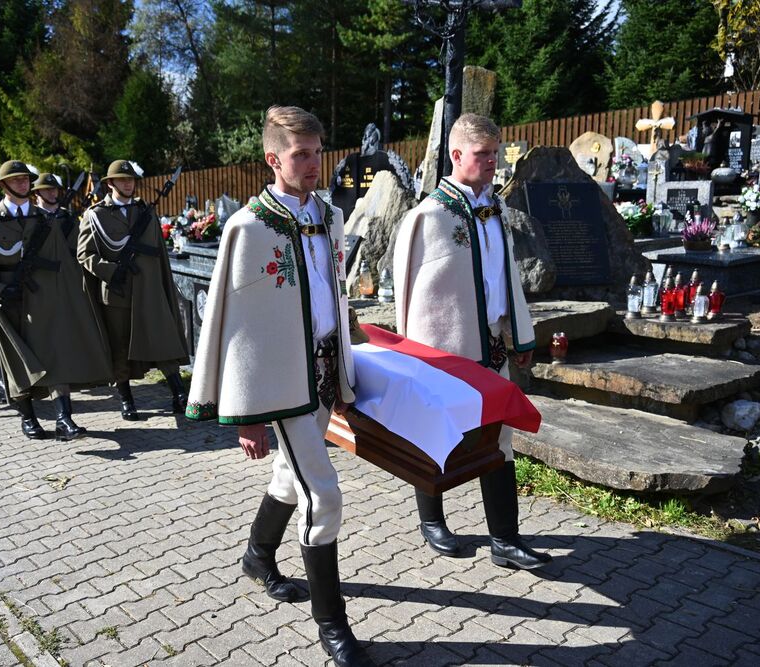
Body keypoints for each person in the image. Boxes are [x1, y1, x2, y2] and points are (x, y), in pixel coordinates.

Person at [186, 106, 370, 667]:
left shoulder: (331, 216)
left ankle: (258, 554)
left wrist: (343, 370)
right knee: (324, 493)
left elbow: (334, 298)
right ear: (273, 159)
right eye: (300, 155)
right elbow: (236, 323)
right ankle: (333, 626)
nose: (313, 164)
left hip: (321, 369)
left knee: (291, 476)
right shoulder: (249, 226)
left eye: (318, 152)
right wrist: (245, 412)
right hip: (280, 382)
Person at [392, 113, 551, 570]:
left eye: (496, 155)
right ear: (457, 155)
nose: (493, 164)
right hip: (443, 350)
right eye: (483, 155)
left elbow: (505, 277)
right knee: (436, 435)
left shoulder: (493, 209)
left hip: (493, 344)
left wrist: (519, 332)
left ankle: (505, 538)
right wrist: (416, 357)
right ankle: (432, 520)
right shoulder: (427, 217)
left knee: (499, 439)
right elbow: (408, 292)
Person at [0, 160, 112, 440]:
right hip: (7, 301)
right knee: (17, 359)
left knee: (56, 353)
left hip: (45, 300)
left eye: (26, 179)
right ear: (3, 185)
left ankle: (64, 418)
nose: (23, 183)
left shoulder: (45, 219)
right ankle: (28, 417)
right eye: (17, 180)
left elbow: (64, 260)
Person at [78, 160, 189, 420]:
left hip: (148, 292)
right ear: (110, 184)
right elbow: (84, 253)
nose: (128, 184)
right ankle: (126, 399)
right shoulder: (96, 215)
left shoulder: (145, 212)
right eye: (122, 180)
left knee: (162, 338)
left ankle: (178, 394)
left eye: (130, 180)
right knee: (120, 348)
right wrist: (111, 270)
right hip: (117, 295)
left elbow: (159, 253)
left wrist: (161, 285)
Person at [33, 173, 79, 256]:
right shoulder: (31, 217)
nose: (52, 192)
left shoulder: (69, 217)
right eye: (47, 189)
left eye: (54, 189)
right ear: (37, 192)